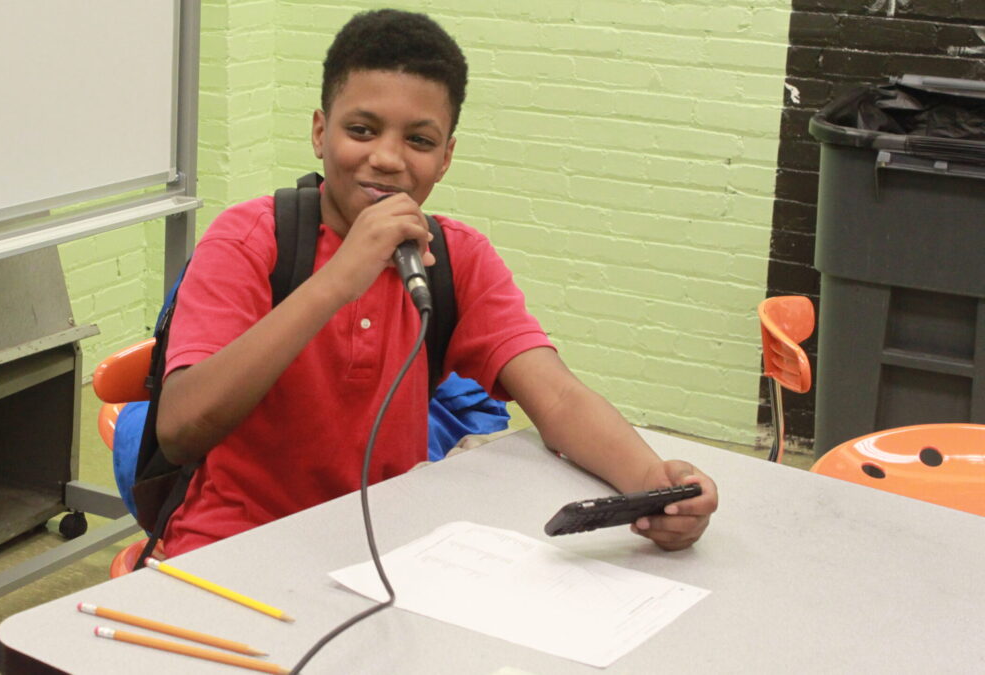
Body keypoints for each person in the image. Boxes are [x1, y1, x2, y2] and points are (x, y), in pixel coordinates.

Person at [156, 8, 718, 557]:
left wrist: (655, 483)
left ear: (446, 157)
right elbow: (180, 429)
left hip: (385, 547)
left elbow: (559, 397)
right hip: (234, 548)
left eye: (419, 141)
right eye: (361, 130)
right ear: (320, 132)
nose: (387, 158)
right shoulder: (250, 240)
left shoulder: (455, 258)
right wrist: (337, 280)